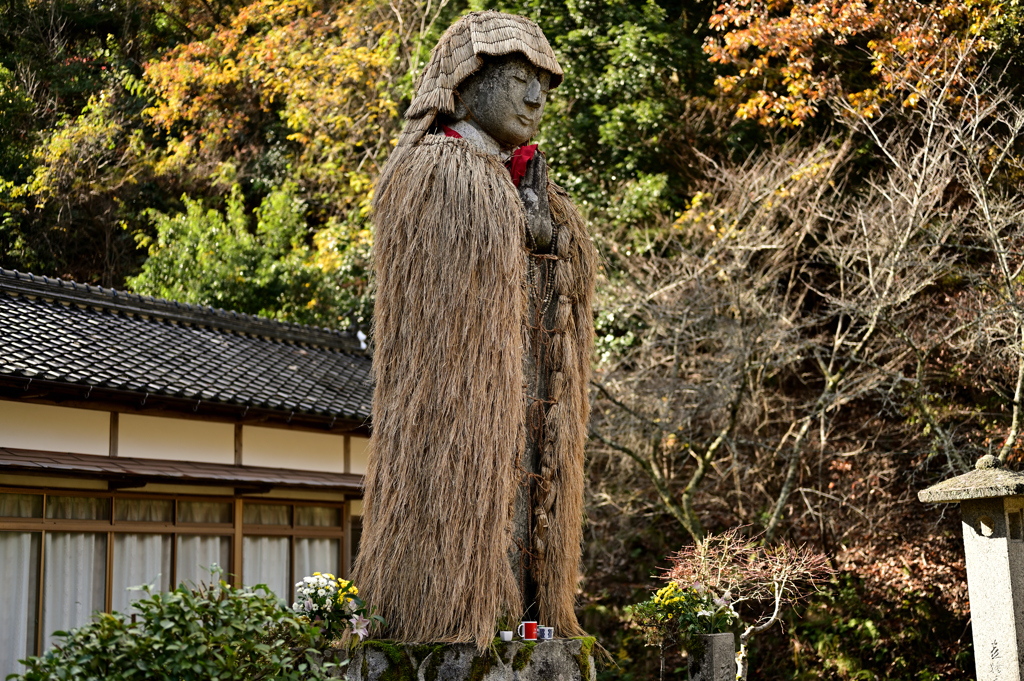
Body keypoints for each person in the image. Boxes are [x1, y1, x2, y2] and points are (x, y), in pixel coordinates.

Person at [353, 11, 596, 649]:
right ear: (464, 83)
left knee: (526, 511)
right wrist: (521, 220)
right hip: (458, 406)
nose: (536, 98)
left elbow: (557, 258)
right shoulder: (436, 167)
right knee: (466, 513)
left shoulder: (533, 181)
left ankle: (527, 620)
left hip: (528, 390)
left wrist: (547, 225)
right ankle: (456, 618)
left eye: (543, 84)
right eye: (518, 78)